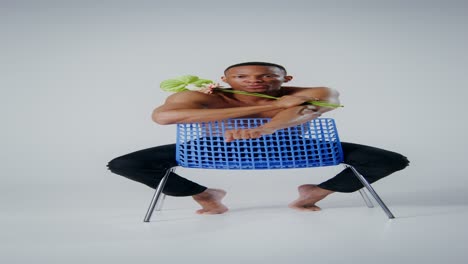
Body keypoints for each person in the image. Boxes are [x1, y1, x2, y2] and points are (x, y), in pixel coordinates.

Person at [107, 62, 409, 214]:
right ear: (226, 80)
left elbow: (305, 112)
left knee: (390, 161)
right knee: (124, 164)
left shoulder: (314, 93)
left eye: (266, 76)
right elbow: (163, 117)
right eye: (242, 77)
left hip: (295, 148)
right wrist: (266, 107)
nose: (254, 81)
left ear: (285, 79)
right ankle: (205, 195)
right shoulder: (200, 96)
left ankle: (316, 192)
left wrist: (265, 128)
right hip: (214, 148)